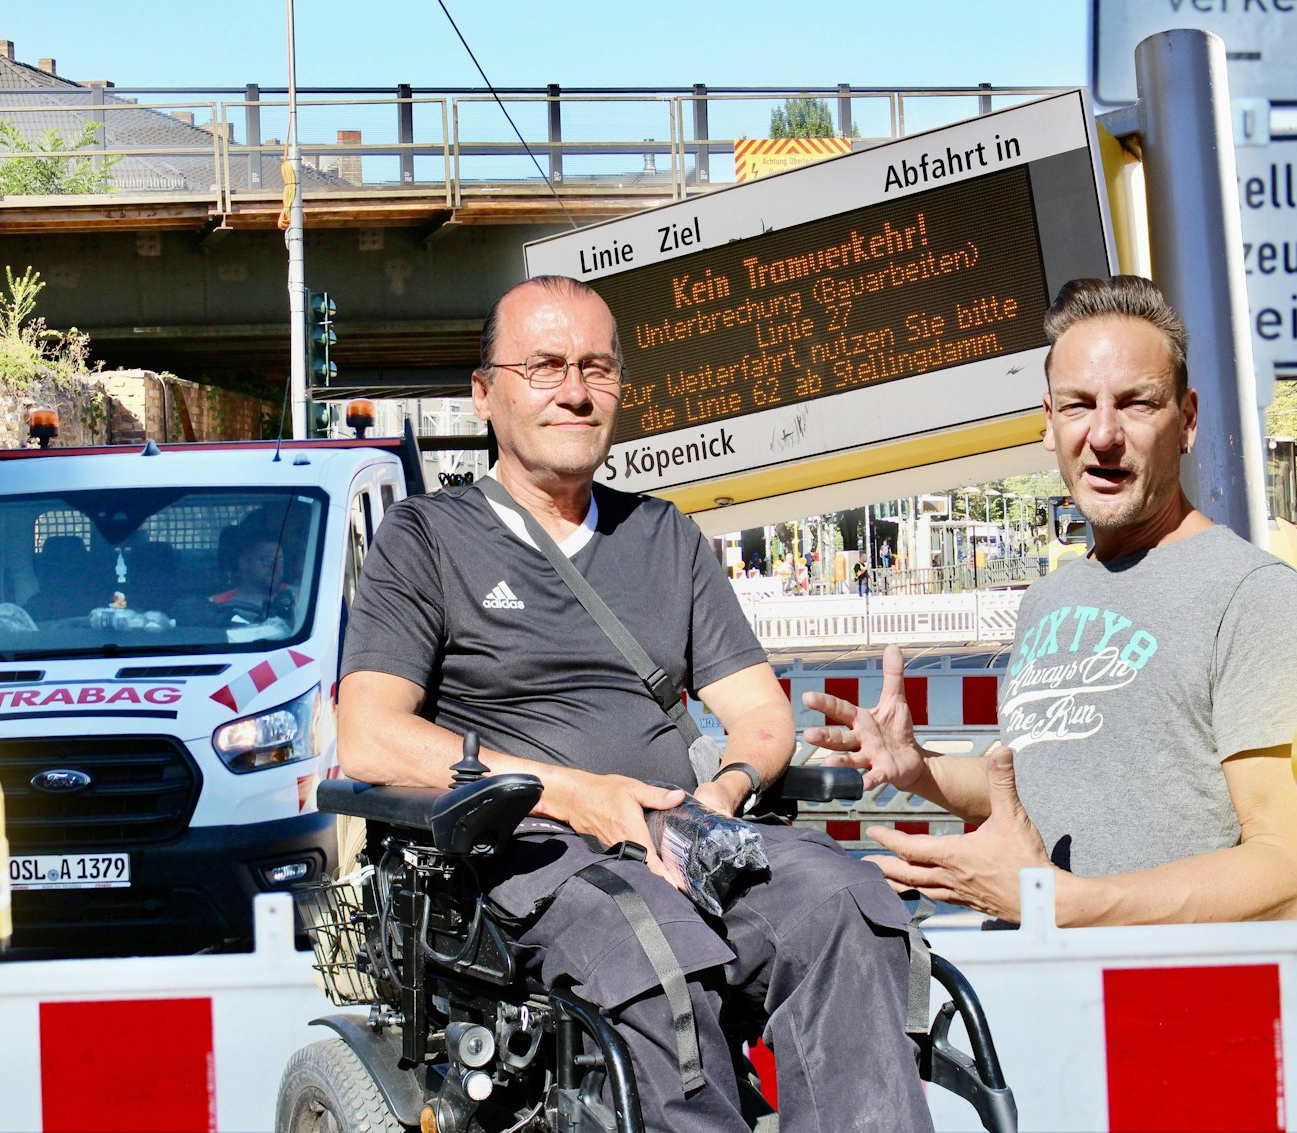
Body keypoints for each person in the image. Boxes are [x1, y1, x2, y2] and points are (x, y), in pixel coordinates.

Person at [339, 276, 930, 1133]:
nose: (575, 391)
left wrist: (724, 791)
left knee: (846, 904)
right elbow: (368, 735)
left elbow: (762, 716)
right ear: (484, 394)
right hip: (534, 856)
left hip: (686, 834)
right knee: (652, 949)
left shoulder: (664, 535)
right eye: (544, 366)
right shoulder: (428, 539)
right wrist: (577, 794)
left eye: (596, 368)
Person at [804, 276, 1297, 926]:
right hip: (1031, 981)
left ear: (1188, 420)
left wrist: (1058, 904)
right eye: (1079, 405)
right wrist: (921, 770)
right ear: (1049, 424)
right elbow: (1045, 787)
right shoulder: (1048, 598)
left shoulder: (1251, 594)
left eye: (1137, 403)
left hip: (1158, 989)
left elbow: (1294, 874)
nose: (1104, 434)